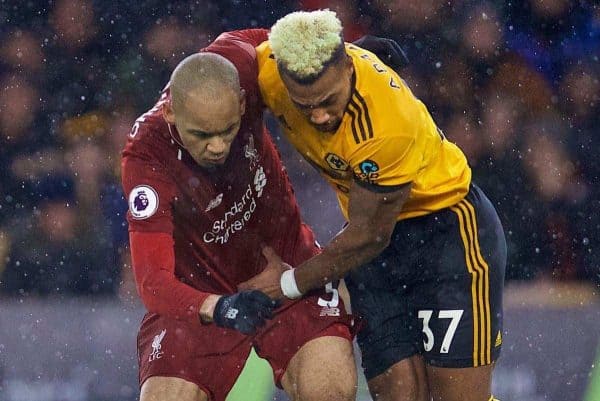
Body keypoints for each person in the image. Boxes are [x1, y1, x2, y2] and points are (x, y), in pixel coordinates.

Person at [239, 10, 506, 401]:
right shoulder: (270, 74)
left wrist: (288, 283)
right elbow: (233, 57)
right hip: (372, 251)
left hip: (447, 234)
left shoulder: (387, 123)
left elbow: (371, 234)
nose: (320, 116)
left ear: (348, 68)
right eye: (305, 105)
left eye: (328, 101)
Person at [121, 30, 358, 401]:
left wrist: (353, 59)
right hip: (201, 294)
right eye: (202, 134)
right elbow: (152, 282)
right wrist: (219, 308)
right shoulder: (146, 158)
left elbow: (299, 38)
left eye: (228, 130)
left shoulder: (240, 58)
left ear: (243, 102)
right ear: (170, 113)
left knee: (330, 392)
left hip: (287, 268)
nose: (217, 147)